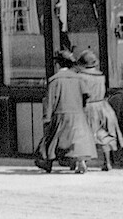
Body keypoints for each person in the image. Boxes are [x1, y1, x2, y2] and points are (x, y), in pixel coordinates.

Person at [37, 46, 96, 174]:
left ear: (58, 64)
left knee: (52, 140)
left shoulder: (55, 80)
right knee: (78, 140)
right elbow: (87, 95)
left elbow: (49, 101)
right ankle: (80, 161)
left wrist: (46, 117)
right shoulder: (78, 78)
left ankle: (47, 162)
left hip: (61, 114)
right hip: (77, 114)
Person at [76, 48, 123, 171]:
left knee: (83, 135)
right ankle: (107, 162)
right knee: (103, 134)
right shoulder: (100, 75)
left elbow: (80, 94)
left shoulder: (80, 77)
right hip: (102, 106)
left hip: (88, 107)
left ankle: (82, 162)